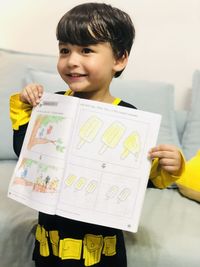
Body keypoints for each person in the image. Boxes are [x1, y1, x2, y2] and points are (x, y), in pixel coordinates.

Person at [10, 3, 185, 267]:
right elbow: (24, 151)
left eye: (87, 50)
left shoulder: (128, 117)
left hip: (101, 248)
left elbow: (134, 180)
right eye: (64, 50)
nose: (72, 61)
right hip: (52, 240)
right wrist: (28, 108)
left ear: (119, 59)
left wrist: (170, 165)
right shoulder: (53, 106)